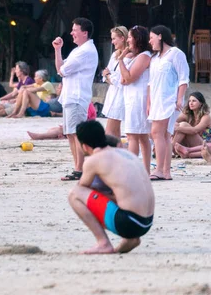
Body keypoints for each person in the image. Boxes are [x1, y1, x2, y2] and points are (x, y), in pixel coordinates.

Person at [68, 120, 155, 254]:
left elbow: (82, 189)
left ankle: (103, 243)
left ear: (84, 146)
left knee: (74, 194)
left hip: (129, 223)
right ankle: (129, 240)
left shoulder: (94, 160)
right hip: (146, 222)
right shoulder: (126, 153)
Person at [53, 17, 99, 181]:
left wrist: (61, 65)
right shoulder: (78, 50)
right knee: (71, 134)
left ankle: (80, 169)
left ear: (84, 33)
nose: (72, 33)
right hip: (71, 97)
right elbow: (61, 68)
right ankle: (78, 168)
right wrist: (58, 50)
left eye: (75, 30)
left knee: (77, 135)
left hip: (77, 97)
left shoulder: (86, 51)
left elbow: (62, 71)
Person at [148, 25, 189, 181]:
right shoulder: (155, 58)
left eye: (151, 37)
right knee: (164, 135)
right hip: (157, 99)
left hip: (169, 99)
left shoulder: (176, 54)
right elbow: (150, 83)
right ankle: (166, 171)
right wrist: (149, 102)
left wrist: (179, 98)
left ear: (160, 36)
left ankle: (158, 169)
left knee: (157, 133)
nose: (150, 41)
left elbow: (184, 78)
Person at [118, 26, 152, 173]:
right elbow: (123, 79)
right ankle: (144, 169)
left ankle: (133, 170)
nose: (128, 40)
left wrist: (120, 59)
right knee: (141, 135)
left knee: (134, 135)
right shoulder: (135, 56)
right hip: (132, 96)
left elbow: (129, 77)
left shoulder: (144, 56)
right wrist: (125, 59)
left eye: (130, 37)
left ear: (137, 39)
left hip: (138, 98)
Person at [101, 26, 129, 138]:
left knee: (109, 132)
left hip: (120, 96)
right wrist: (108, 76)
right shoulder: (115, 55)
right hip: (112, 94)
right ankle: (119, 154)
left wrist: (108, 75)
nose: (112, 42)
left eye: (114, 39)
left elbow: (118, 80)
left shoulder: (128, 56)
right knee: (115, 132)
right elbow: (106, 75)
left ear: (122, 38)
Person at [172, 92, 211, 159]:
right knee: (177, 124)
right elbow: (172, 122)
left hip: (203, 145)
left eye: (194, 101)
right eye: (189, 101)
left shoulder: (206, 117)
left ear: (201, 103)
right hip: (190, 145)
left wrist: (177, 128)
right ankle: (171, 148)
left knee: (183, 125)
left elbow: (195, 130)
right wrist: (175, 125)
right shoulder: (187, 115)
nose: (191, 103)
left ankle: (170, 148)